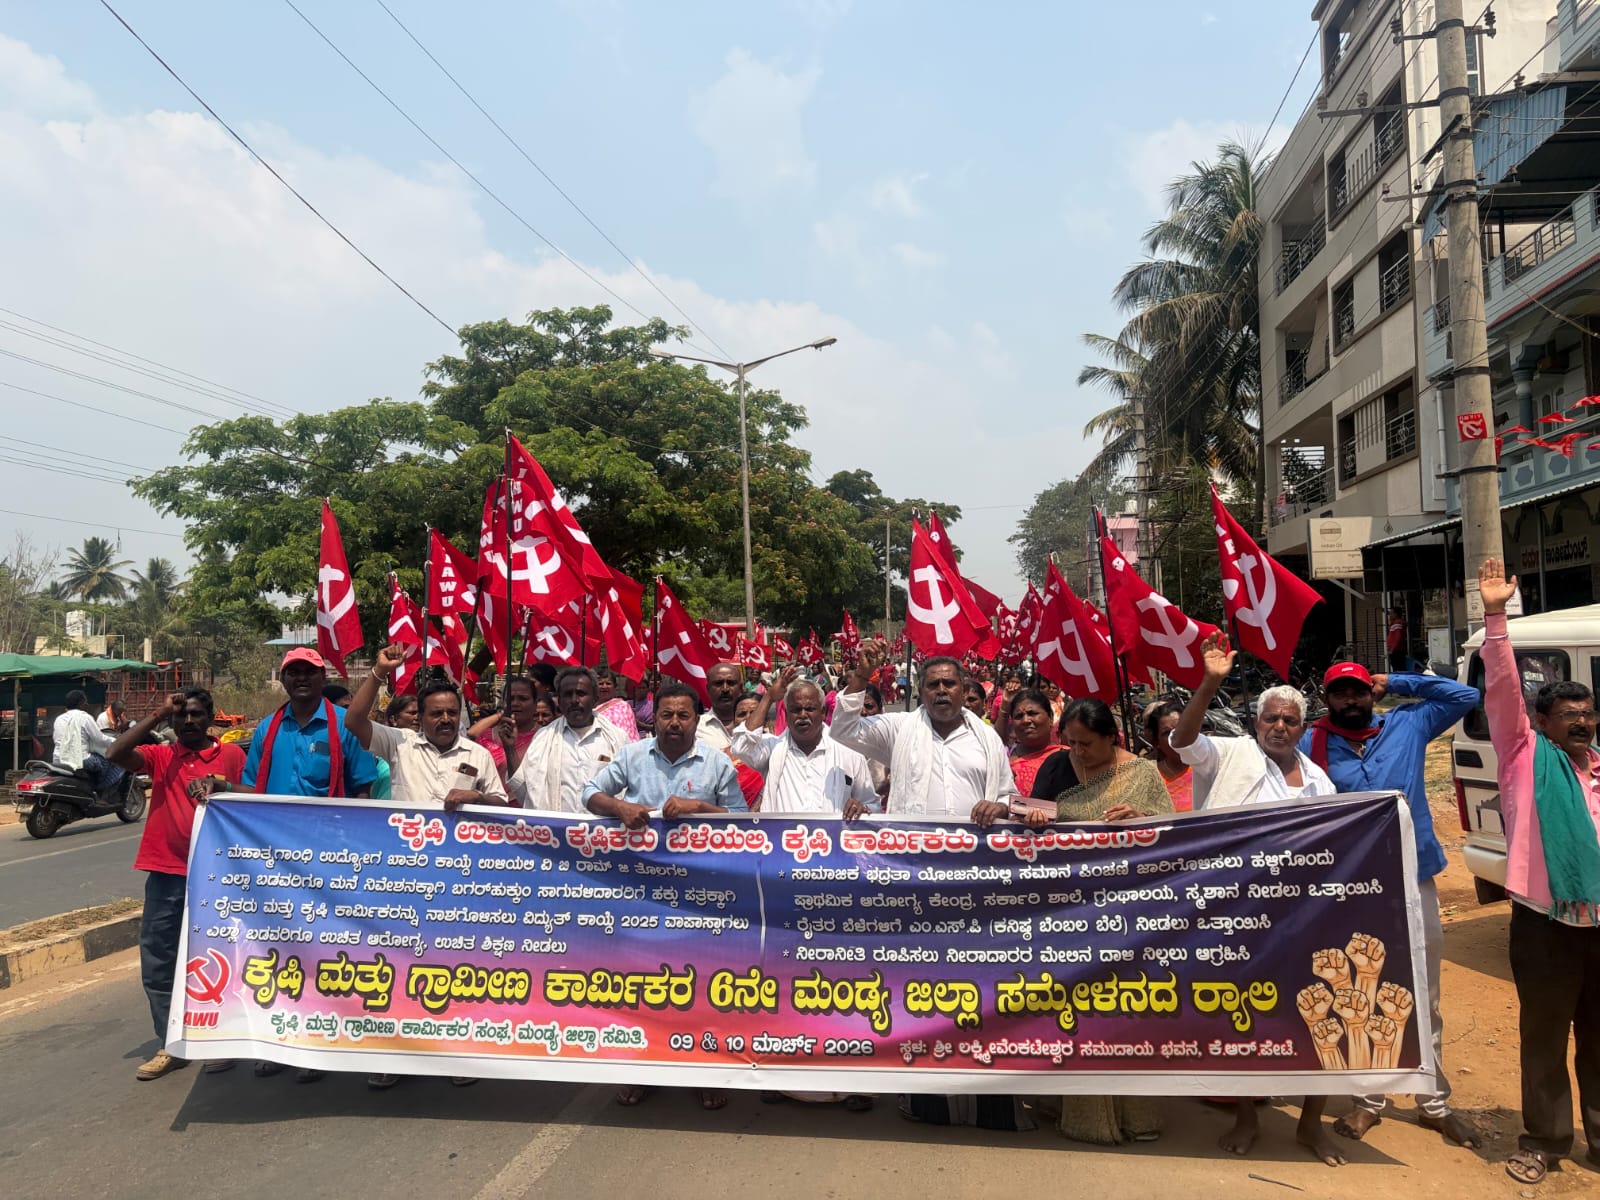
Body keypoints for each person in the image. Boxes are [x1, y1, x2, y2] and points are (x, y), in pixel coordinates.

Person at [1169, 631, 1342, 1166]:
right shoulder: (1229, 755)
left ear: (1302, 728)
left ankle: (1311, 1123)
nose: (1280, 727)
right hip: (1237, 913)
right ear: (1256, 722)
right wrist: (1209, 682)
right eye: (1271, 718)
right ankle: (1247, 1114)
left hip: (1304, 914)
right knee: (1243, 1011)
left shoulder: (1320, 782)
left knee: (1318, 1012)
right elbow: (1182, 741)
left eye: (1290, 720)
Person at [973, 694, 1168, 1145]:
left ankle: (1136, 1114)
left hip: (1127, 914)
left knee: (1124, 1010)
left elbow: (1173, 835)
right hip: (1070, 914)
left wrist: (1141, 819)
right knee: (1078, 1009)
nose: (1078, 752)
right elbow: (1032, 811)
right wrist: (1024, 816)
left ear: (1111, 738)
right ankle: (1076, 1111)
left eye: (1087, 744)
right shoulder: (1058, 767)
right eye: (1072, 743)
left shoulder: (1141, 773)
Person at [1301, 657, 1479, 1149]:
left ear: (1372, 693)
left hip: (1413, 875)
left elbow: (1466, 697)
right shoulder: (1312, 742)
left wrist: (1396, 681)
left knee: (1425, 990)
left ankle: (1433, 1102)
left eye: (1358, 690)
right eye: (1340, 692)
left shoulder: (1409, 723)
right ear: (1327, 699)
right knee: (1359, 992)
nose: (1350, 700)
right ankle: (1369, 1100)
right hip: (1353, 886)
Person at [1478, 557, 1600, 1186]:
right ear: (1545, 724)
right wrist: (1496, 616)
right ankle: (1545, 1141)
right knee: (1546, 1037)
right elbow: (1503, 690)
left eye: (1589, 713)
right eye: (1570, 715)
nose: (1582, 722)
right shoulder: (1524, 755)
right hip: (1544, 922)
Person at [582, 681, 745, 1113]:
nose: (674, 723)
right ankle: (644, 1071)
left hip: (700, 897)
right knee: (643, 985)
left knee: (701, 984)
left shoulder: (717, 762)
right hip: (641, 895)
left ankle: (704, 1072)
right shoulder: (632, 756)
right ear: (654, 719)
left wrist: (698, 808)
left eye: (683, 715)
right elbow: (589, 793)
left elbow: (742, 820)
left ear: (696, 719)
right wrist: (619, 808)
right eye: (666, 715)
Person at [241, 647, 379, 1082]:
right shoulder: (267, 728)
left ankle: (320, 1042)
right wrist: (217, 790)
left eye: (309, 672)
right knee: (278, 949)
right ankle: (279, 1041)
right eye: (293, 672)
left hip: (329, 861)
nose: (301, 678)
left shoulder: (343, 726)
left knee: (324, 951)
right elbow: (251, 791)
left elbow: (362, 789)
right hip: (276, 863)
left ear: (323, 678)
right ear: (284, 680)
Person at [107, 689, 245, 1082]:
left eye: (196, 714)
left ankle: (220, 1039)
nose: (188, 721)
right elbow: (116, 754)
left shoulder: (232, 756)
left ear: (210, 718)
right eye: (181, 715)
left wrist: (222, 786)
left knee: (223, 958)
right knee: (159, 959)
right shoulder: (162, 756)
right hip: (167, 872)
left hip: (219, 875)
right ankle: (171, 1043)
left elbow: (256, 797)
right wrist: (158, 714)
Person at [832, 641, 1014, 819]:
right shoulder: (899, 729)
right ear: (921, 691)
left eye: (949, 683)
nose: (941, 690)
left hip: (972, 839)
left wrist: (999, 808)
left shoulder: (987, 738)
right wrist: (862, 675)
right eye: (933, 685)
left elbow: (1007, 795)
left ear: (964, 690)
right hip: (912, 838)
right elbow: (843, 730)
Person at [345, 647, 508, 809]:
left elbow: (501, 803)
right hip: (407, 826)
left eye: (452, 713)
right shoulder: (401, 744)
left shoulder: (479, 754)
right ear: (421, 717)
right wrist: (380, 671)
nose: (446, 719)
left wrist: (477, 796)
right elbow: (354, 721)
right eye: (437, 713)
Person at [731, 664, 875, 815]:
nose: (803, 715)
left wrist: (861, 808)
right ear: (786, 715)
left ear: (823, 712)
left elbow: (871, 804)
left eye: (810, 709)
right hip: (783, 831)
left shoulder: (849, 753)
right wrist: (769, 697)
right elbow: (742, 746)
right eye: (796, 710)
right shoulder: (773, 748)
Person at [507, 667, 629, 812]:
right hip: (555, 826)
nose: (574, 700)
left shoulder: (617, 738)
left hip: (604, 825)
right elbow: (525, 791)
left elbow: (632, 788)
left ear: (595, 699)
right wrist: (510, 749)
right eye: (567, 694)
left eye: (581, 693)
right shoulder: (544, 738)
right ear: (559, 701)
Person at [51, 689, 127, 799]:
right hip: (81, 760)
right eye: (85, 701)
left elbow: (56, 739)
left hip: (58, 759)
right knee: (109, 761)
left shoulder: (59, 719)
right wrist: (117, 741)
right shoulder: (85, 717)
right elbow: (99, 739)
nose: (87, 704)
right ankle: (100, 791)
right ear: (80, 703)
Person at [466, 676, 542, 782]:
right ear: (504, 703)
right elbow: (470, 774)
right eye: (511, 699)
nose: (515, 703)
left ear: (535, 704)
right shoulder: (486, 738)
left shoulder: (545, 738)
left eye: (523, 698)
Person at [1005, 689, 1064, 797]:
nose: (1025, 720)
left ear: (1050, 718)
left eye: (1032, 713)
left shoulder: (1067, 758)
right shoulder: (1003, 757)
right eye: (1019, 716)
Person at [1143, 701, 1192, 812]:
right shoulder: (1147, 777)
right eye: (1167, 733)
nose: (1177, 737)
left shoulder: (1210, 766)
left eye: (1181, 729)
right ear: (1157, 742)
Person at [696, 662, 746, 751]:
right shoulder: (696, 727)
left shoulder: (755, 724)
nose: (725, 689)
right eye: (718, 683)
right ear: (708, 689)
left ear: (741, 688)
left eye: (731, 683)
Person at [594, 670, 640, 741]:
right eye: (601, 684)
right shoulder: (590, 709)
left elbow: (629, 733)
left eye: (608, 683)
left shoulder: (623, 707)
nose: (604, 686)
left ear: (614, 687)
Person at [1386, 607, 1408, 672]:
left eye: (1391, 613)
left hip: (1396, 651)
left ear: (1396, 614)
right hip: (1397, 650)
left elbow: (1398, 638)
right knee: (1398, 668)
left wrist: (1392, 649)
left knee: (1398, 668)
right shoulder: (1395, 623)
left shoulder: (1397, 623)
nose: (1390, 615)